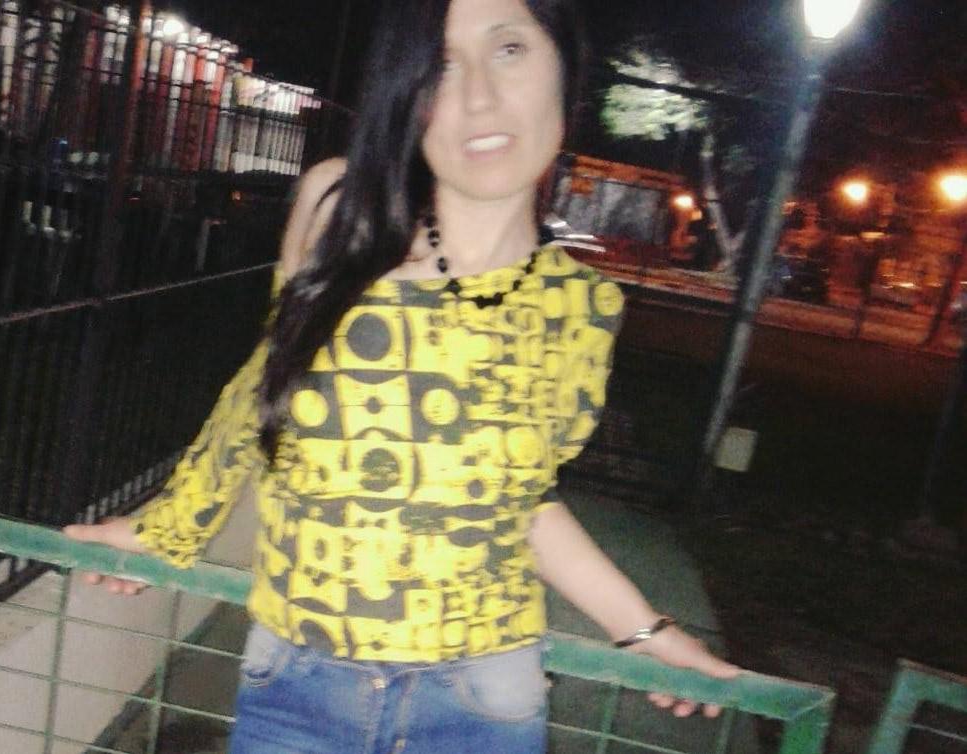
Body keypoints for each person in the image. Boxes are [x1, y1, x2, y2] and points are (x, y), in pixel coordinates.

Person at [65, 0, 740, 751]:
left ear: (565, 72)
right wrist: (163, 529)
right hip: (295, 685)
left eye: (509, 49)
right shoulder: (338, 210)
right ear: (407, 96)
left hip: (481, 700)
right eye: (441, 66)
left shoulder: (582, 308)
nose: (477, 94)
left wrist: (643, 629)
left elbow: (521, 504)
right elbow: (258, 397)